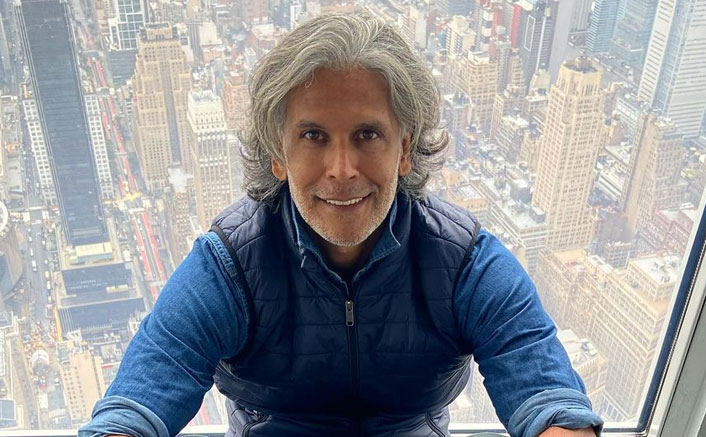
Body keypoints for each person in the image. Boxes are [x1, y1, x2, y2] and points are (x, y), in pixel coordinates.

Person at [80, 11, 603, 437]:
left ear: (404, 148)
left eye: (367, 135)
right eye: (313, 136)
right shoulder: (232, 265)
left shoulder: (463, 261)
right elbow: (139, 399)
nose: (342, 169)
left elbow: (547, 394)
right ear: (277, 155)